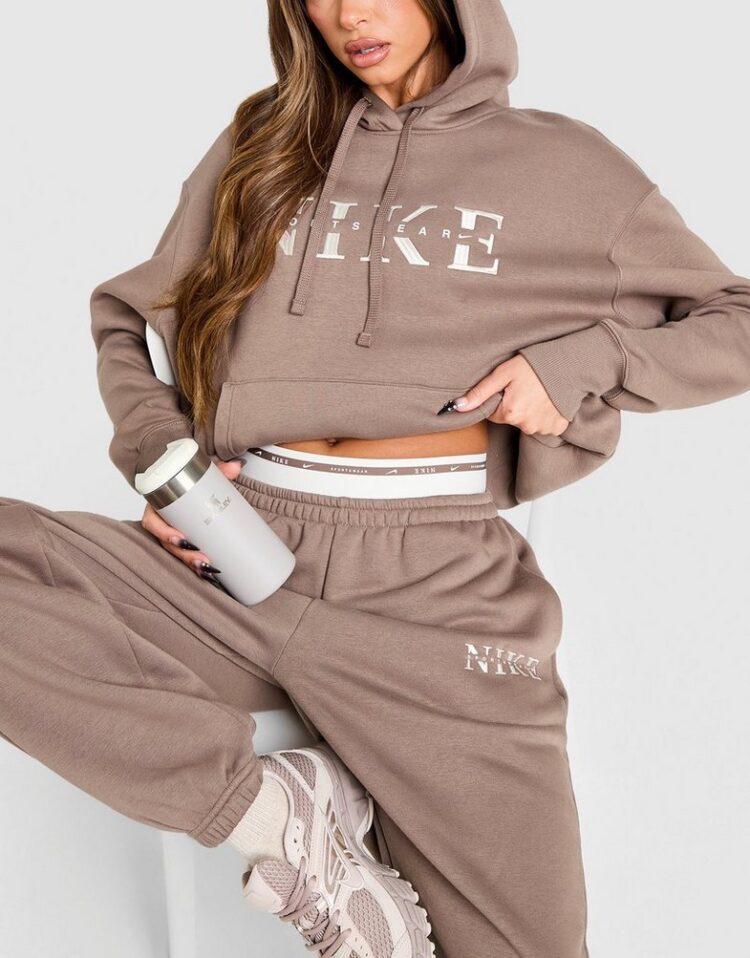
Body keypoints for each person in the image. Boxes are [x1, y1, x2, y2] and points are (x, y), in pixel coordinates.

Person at [2, 0, 749, 956]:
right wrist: (165, 462)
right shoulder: (263, 144)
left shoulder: (567, 168)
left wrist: (580, 364)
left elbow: (735, 317)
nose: (350, 13)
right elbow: (128, 314)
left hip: (435, 593)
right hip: (233, 552)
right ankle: (273, 818)